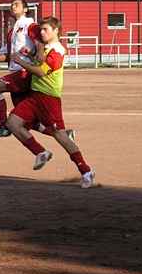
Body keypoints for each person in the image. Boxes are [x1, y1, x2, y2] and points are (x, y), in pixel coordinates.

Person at [5, 16, 95, 189]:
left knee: (60, 135)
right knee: (13, 123)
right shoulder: (46, 47)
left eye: (46, 29)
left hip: (48, 99)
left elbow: (41, 72)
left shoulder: (57, 51)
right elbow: (39, 61)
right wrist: (30, 53)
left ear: (56, 31)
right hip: (34, 96)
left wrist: (20, 61)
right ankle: (41, 152)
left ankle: (86, 170)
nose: (42, 32)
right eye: (41, 29)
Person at [0, 0, 40, 138]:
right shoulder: (11, 31)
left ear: (25, 9)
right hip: (15, 71)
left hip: (24, 72)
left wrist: (34, 54)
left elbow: (40, 45)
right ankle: (62, 133)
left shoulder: (30, 25)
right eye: (12, 5)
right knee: (23, 119)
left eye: (17, 4)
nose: (13, 6)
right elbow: (8, 56)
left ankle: (3, 124)